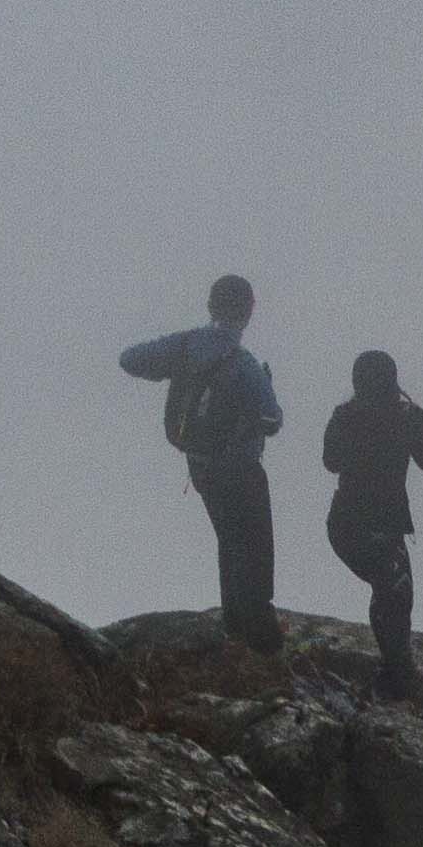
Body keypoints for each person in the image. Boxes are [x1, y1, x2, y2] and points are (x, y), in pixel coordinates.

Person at [115, 273, 283, 650]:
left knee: (228, 538)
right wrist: (263, 390)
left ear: (211, 306)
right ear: (248, 312)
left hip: (200, 464)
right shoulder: (244, 363)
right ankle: (257, 632)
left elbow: (130, 359)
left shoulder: (186, 345)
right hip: (240, 466)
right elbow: (273, 420)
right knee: (253, 545)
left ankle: (234, 621)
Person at [316, 348, 423, 698]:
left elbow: (331, 461)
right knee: (396, 592)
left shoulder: (344, 415)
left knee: (389, 590)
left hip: (346, 522)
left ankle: (393, 672)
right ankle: (398, 675)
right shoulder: (408, 415)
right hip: (385, 524)